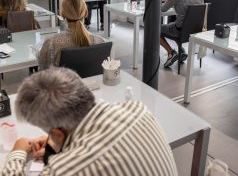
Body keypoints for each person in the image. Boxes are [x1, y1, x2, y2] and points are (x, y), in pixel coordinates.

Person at [1, 67, 178, 175]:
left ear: (56, 133)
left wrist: (17, 152)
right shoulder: (139, 109)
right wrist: (53, 147)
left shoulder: (63, 170)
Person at [37, 0, 105, 69]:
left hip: (61, 80)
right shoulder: (100, 42)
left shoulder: (51, 44)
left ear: (62, 14)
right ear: (86, 13)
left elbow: (43, 72)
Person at [161, 0, 204, 68]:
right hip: (194, 30)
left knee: (155, 29)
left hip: (180, 30)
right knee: (173, 24)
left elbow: (162, 9)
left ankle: (171, 53)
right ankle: (182, 51)